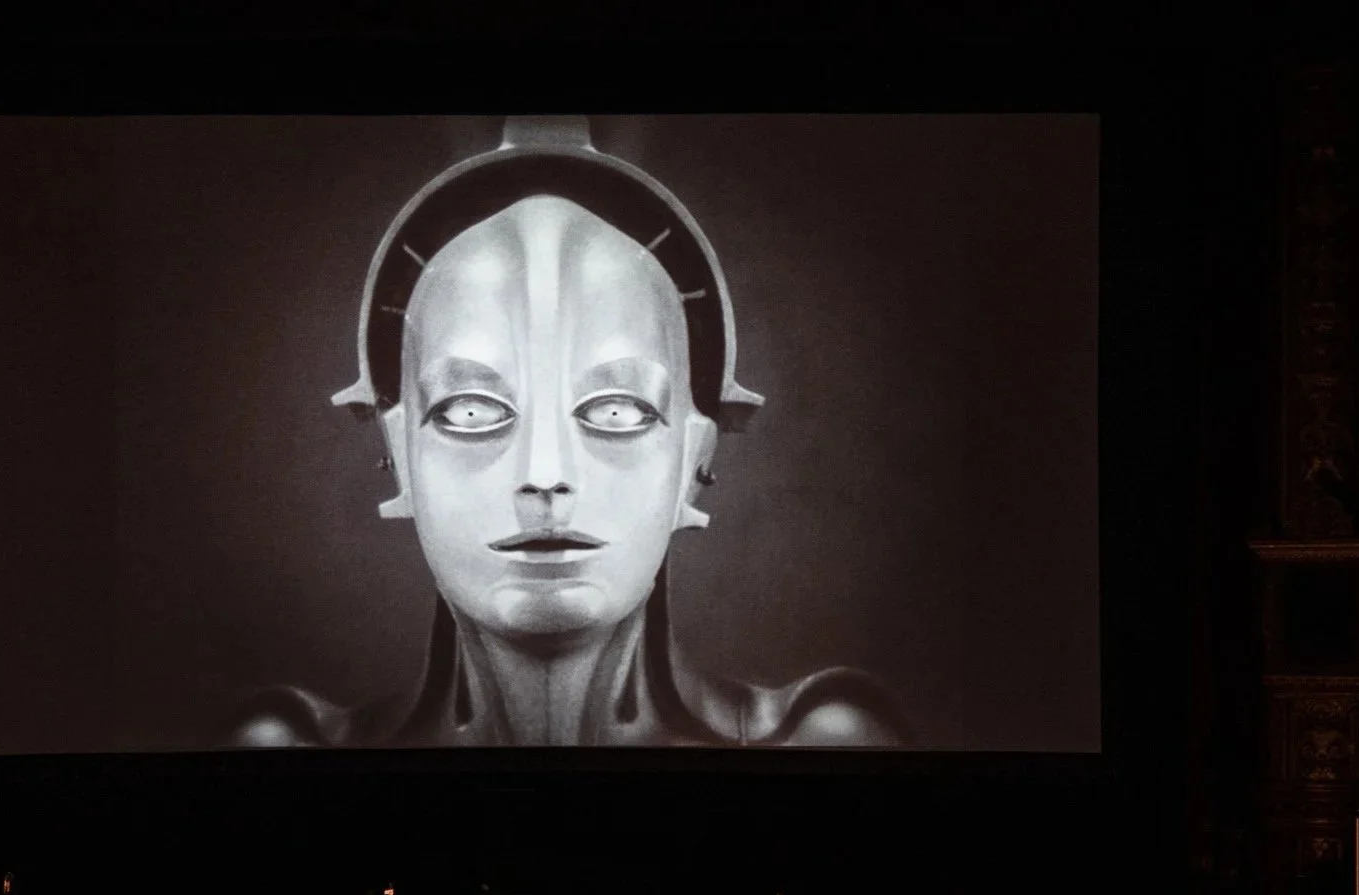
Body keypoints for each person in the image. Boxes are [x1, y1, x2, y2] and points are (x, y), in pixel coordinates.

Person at [224, 115, 908, 749]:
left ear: (695, 452)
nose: (544, 473)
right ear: (396, 451)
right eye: (469, 411)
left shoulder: (822, 747)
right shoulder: (281, 752)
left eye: (617, 411)